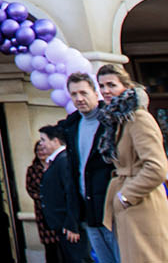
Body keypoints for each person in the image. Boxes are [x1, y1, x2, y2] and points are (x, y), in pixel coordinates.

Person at [97, 64, 168, 263]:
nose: (105, 91)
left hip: (144, 204)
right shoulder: (118, 120)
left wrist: (126, 196)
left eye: (111, 85)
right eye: (102, 86)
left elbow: (157, 168)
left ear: (126, 87)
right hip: (131, 204)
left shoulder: (138, 118)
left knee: (152, 257)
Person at [59, 71, 121, 263]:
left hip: (115, 210)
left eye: (83, 93)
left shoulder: (113, 121)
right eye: (74, 94)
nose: (79, 99)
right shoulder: (71, 127)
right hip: (89, 212)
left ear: (96, 93)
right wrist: (74, 217)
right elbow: (73, 175)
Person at [38, 125, 92, 262]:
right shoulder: (54, 162)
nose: (41, 144)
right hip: (61, 225)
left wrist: (72, 224)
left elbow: (71, 192)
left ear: (55, 141)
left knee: (78, 258)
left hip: (69, 226)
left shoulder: (64, 160)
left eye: (43, 140)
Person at [24, 139, 61, 262]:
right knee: (50, 249)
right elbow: (30, 189)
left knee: (63, 247)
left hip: (59, 210)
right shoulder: (32, 170)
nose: (41, 152)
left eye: (43, 149)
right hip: (43, 211)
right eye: (38, 150)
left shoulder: (56, 165)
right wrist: (44, 198)